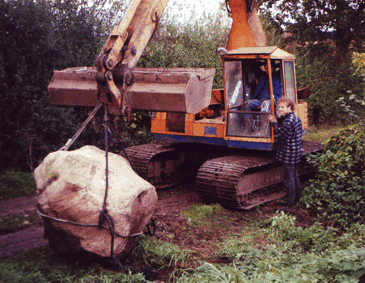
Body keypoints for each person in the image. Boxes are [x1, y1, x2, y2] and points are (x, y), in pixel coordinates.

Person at [268, 97, 303, 211]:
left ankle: (289, 204)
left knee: (289, 178)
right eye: (278, 107)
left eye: (282, 107)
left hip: (289, 153)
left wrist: (273, 122)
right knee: (294, 176)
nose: (280, 110)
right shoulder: (293, 118)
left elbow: (279, 134)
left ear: (289, 107)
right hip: (294, 151)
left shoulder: (289, 121)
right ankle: (296, 199)